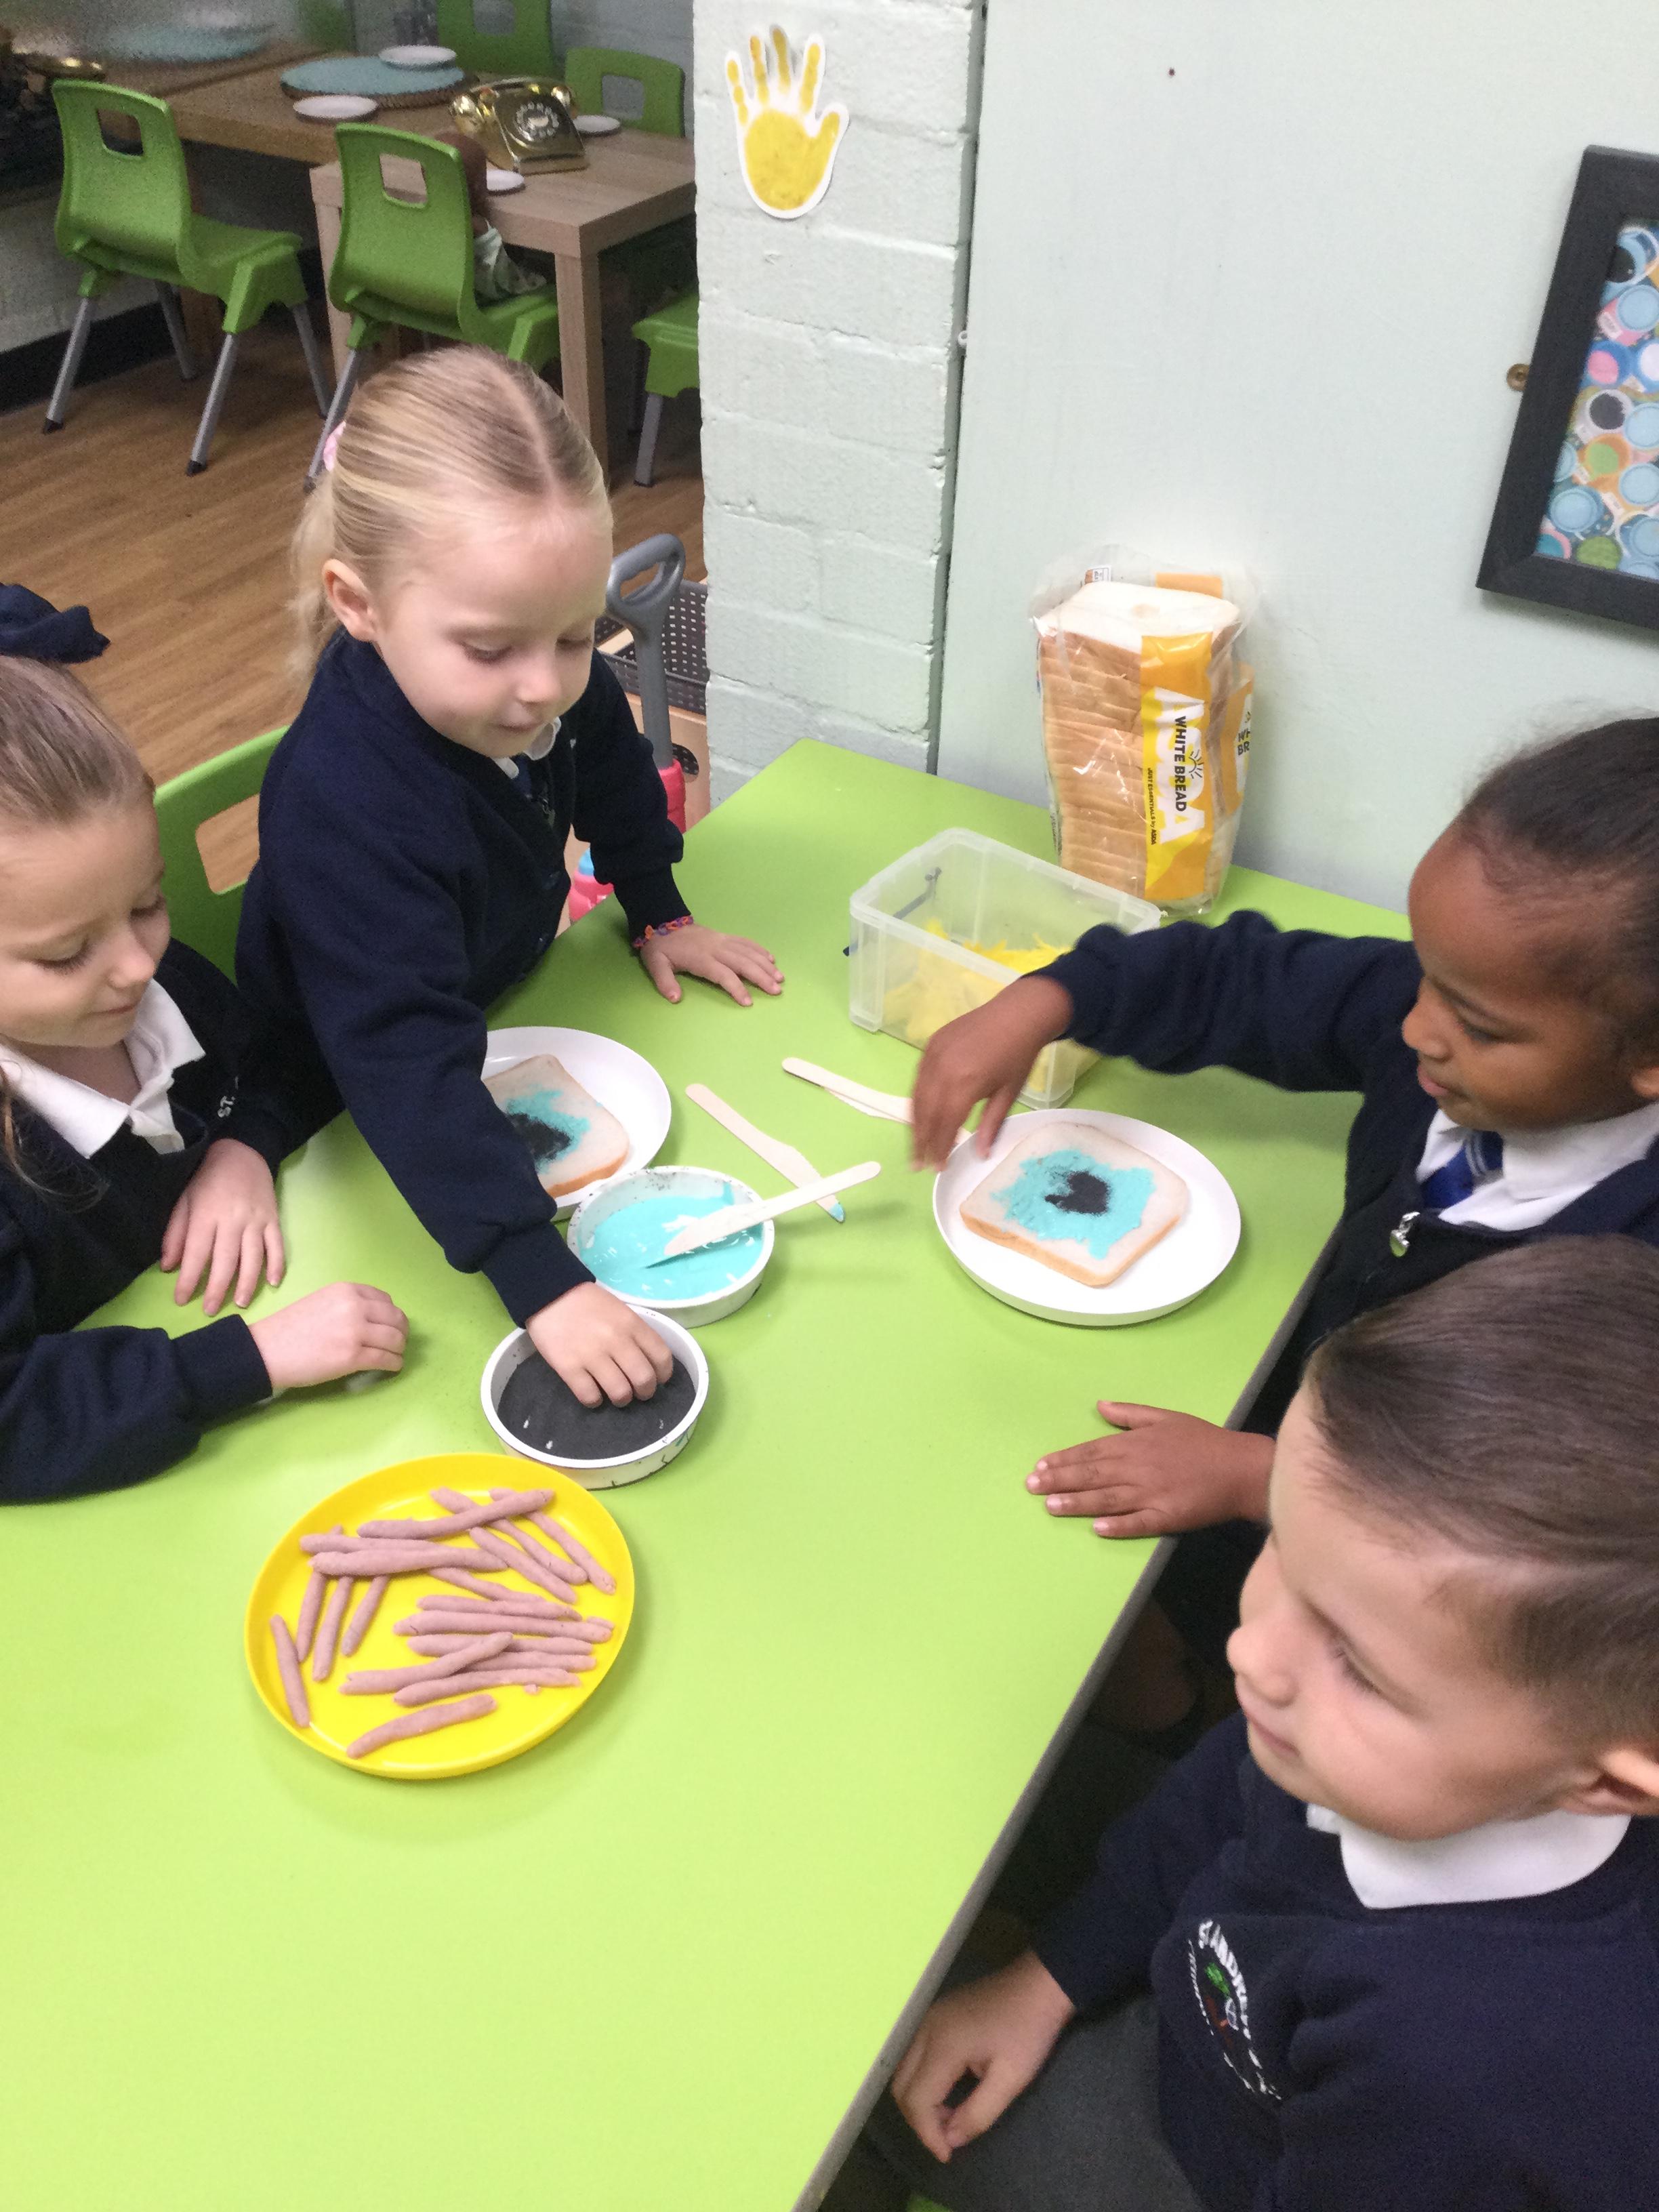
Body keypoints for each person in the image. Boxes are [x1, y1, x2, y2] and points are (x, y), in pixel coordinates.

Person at [832, 1239, 1659, 2212]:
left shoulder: (1467, 2075)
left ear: (1611, 1781)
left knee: (845, 2053)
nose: (1251, 1653)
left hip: (1201, 2155)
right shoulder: (1342, 1741)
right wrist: (1050, 1974)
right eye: (1283, 1550)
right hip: (1216, 1984)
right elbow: (1216, 1795)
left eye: (1358, 1664)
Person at [909, 718, 1659, 1691]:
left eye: (1476, 1025)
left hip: (1386, 1574)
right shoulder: (1444, 1026)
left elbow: (1532, 1535)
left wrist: (1260, 1479)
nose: (1415, 1027)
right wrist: (1053, 998)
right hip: (1304, 1407)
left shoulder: (1624, 1283)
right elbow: (1239, 979)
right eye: (1426, 976)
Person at [237, 348, 780, 1413]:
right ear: (358, 603)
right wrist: (540, 1278)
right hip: (341, 1101)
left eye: (576, 635)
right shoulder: (344, 802)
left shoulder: (538, 675)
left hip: (485, 1007)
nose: (545, 686)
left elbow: (614, 768)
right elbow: (402, 1064)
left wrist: (658, 910)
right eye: (491, 650)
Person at [0, 588, 409, 1504]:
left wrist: (243, 1146)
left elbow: (286, 1058)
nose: (137, 964)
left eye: (148, 903)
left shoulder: (163, 987)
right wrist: (249, 1361)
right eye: (66, 954)